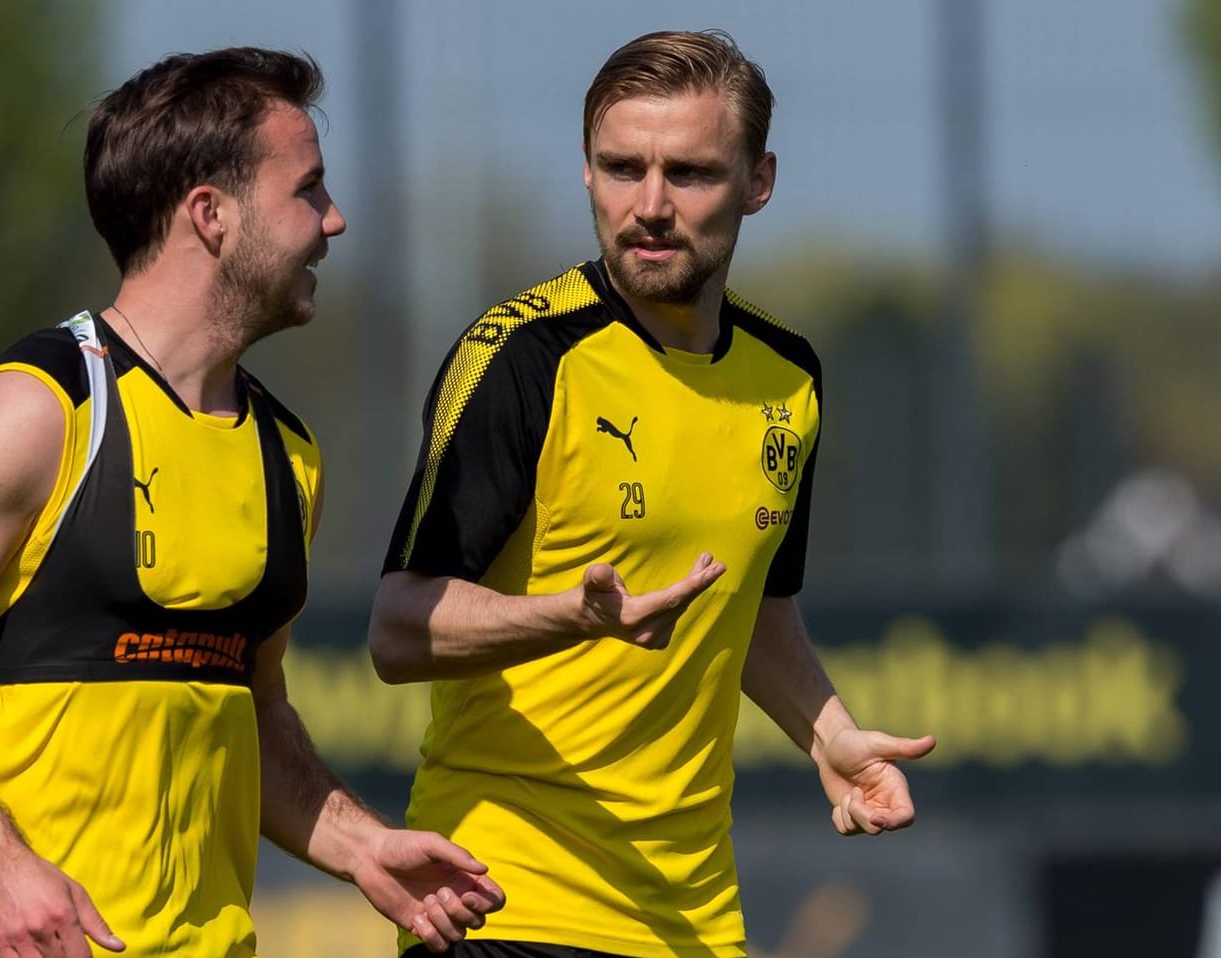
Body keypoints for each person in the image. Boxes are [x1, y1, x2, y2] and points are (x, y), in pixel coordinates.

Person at [0, 47, 503, 957]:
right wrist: (0, 866)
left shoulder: (286, 457)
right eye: (307, 190)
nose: (334, 220)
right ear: (211, 215)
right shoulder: (41, 406)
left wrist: (362, 843)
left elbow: (252, 715)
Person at [368, 29, 935, 958]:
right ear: (585, 174)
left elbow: (751, 607)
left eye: (691, 173)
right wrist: (573, 616)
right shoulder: (522, 357)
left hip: (693, 923)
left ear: (758, 182)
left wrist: (826, 734)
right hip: (506, 901)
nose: (651, 206)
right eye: (621, 167)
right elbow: (398, 629)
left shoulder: (786, 375)